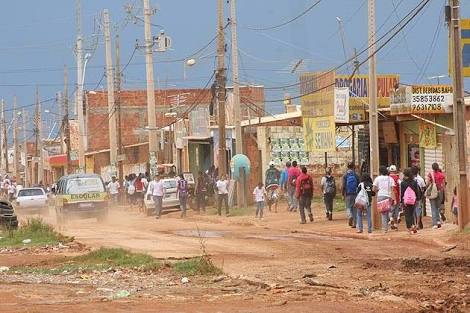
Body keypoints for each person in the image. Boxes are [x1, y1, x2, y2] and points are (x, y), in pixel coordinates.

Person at [373, 166, 396, 233]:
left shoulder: (377, 178)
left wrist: (378, 190)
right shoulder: (390, 179)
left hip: (380, 196)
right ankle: (391, 218)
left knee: (383, 213)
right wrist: (393, 198)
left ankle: (385, 229)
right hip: (388, 196)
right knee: (388, 211)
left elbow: (374, 189)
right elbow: (392, 190)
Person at [400, 168, 421, 234]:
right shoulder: (414, 182)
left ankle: (410, 228)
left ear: (404, 174)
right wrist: (417, 199)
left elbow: (402, 193)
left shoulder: (403, 183)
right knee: (412, 214)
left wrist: (401, 201)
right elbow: (416, 191)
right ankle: (413, 225)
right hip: (413, 200)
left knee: (407, 214)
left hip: (406, 200)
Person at [426, 163, 446, 229]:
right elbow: (443, 185)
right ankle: (438, 221)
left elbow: (427, 182)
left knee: (433, 208)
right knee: (437, 207)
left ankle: (435, 224)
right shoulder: (441, 175)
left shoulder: (430, 174)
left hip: (433, 192)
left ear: (432, 168)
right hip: (440, 192)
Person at [342, 162, 360, 228]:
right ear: (353, 167)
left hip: (347, 193)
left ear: (347, 167)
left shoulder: (345, 175)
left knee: (348, 207)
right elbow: (359, 185)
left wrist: (342, 194)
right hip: (355, 193)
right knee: (355, 208)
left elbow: (343, 186)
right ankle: (354, 223)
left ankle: (350, 216)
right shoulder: (356, 175)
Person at [388, 165, 401, 230]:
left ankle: (391, 219)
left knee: (390, 209)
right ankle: (395, 225)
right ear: (395, 171)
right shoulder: (397, 178)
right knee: (396, 210)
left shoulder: (387, 178)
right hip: (397, 196)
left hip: (389, 196)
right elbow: (400, 186)